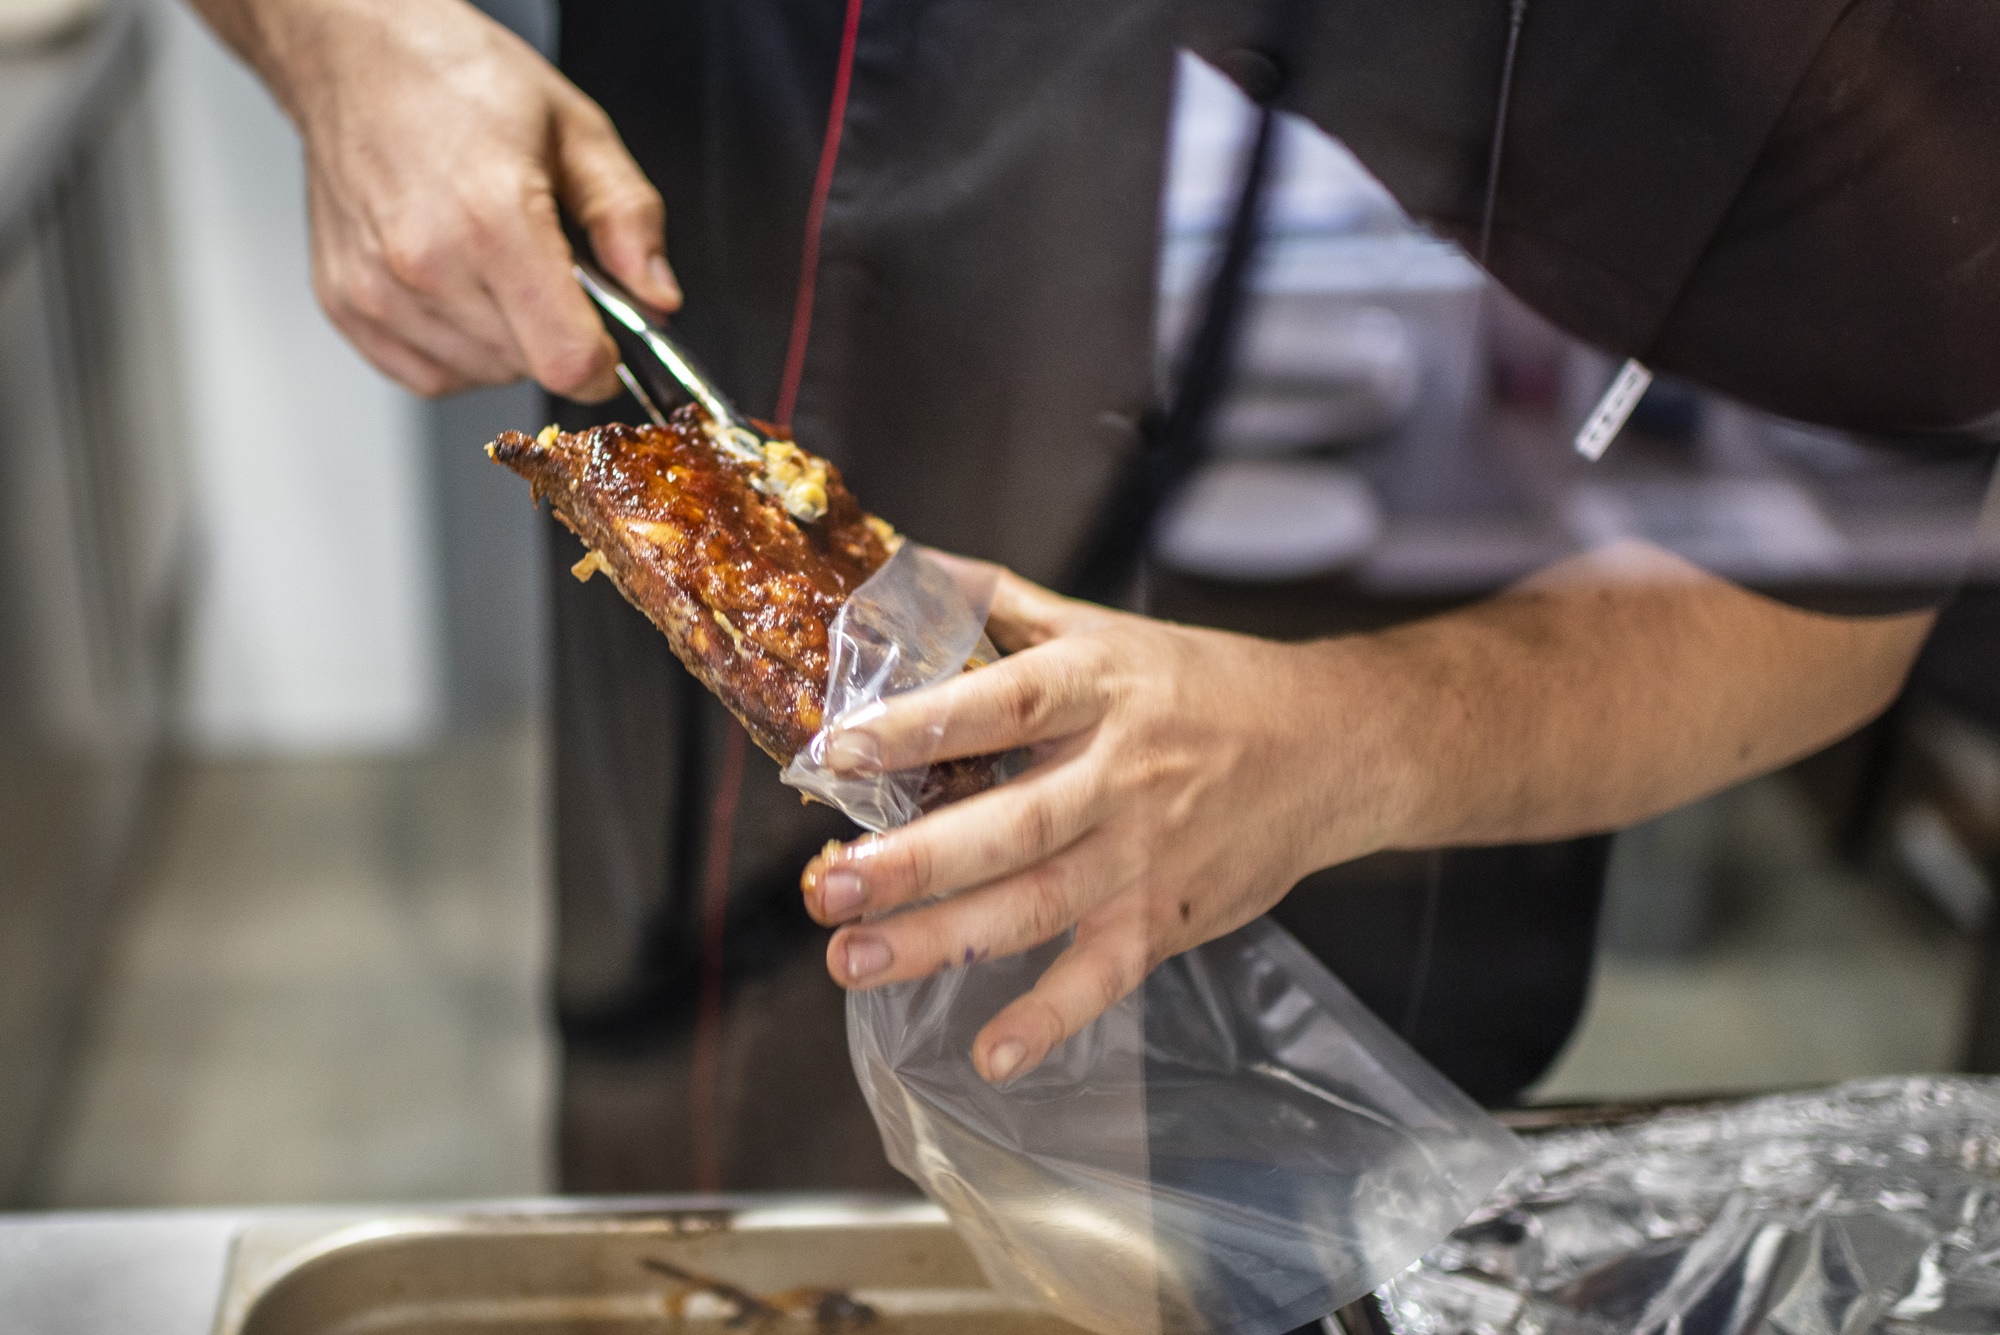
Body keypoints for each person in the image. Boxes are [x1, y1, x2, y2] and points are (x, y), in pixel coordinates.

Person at [183, 0, 1999, 1187]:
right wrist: (344, 39)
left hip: (1390, 890)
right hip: (745, 797)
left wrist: (1364, 740)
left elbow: (1846, 546)